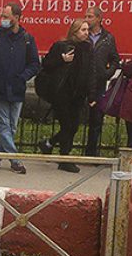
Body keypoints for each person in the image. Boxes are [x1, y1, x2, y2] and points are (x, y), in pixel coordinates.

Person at [0, 3, 39, 174]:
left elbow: (34, 63)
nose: (2, 19)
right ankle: (15, 161)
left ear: (17, 18)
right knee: (4, 125)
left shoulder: (27, 38)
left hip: (17, 88)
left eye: (6, 16)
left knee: (11, 127)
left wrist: (23, 76)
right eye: (2, 16)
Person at [37, 19, 92, 173]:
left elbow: (89, 70)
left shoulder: (87, 48)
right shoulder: (62, 46)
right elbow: (46, 65)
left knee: (73, 126)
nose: (86, 33)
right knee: (68, 125)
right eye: (83, 30)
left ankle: (48, 143)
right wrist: (62, 59)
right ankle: (64, 159)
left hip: (78, 94)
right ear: (74, 31)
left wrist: (90, 92)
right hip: (63, 93)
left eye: (87, 30)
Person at [84, 6, 121, 156]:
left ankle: (91, 152)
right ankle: (65, 152)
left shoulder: (107, 38)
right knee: (72, 119)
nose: (87, 19)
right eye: (86, 16)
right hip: (81, 82)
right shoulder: (82, 34)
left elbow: (115, 59)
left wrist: (107, 73)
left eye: (90, 16)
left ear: (99, 18)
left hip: (98, 84)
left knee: (96, 120)